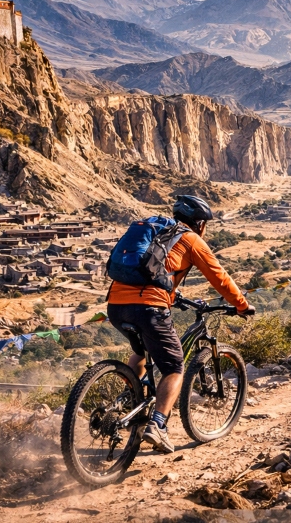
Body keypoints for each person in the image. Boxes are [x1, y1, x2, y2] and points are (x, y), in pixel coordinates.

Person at [106, 195, 254, 454]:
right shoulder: (191, 239)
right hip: (149, 307)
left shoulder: (154, 230)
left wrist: (172, 295)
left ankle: (131, 401)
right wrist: (242, 305)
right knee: (174, 367)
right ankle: (158, 426)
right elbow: (219, 276)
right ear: (200, 224)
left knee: (141, 352)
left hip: (116, 305)